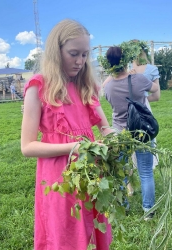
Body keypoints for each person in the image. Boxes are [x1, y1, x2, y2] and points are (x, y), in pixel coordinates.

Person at [21, 19, 113, 250]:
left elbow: (105, 128)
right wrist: (74, 147)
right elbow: (27, 146)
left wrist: (115, 138)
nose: (80, 61)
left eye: (84, 54)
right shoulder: (38, 87)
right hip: (58, 176)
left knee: (92, 226)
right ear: (57, 50)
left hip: (90, 170)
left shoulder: (86, 85)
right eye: (74, 53)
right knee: (64, 233)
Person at [102, 46, 159, 220]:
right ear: (125, 60)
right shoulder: (138, 79)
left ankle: (123, 208)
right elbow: (155, 89)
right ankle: (148, 211)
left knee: (121, 171)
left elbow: (107, 95)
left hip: (120, 132)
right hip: (141, 131)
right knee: (146, 171)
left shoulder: (108, 86)